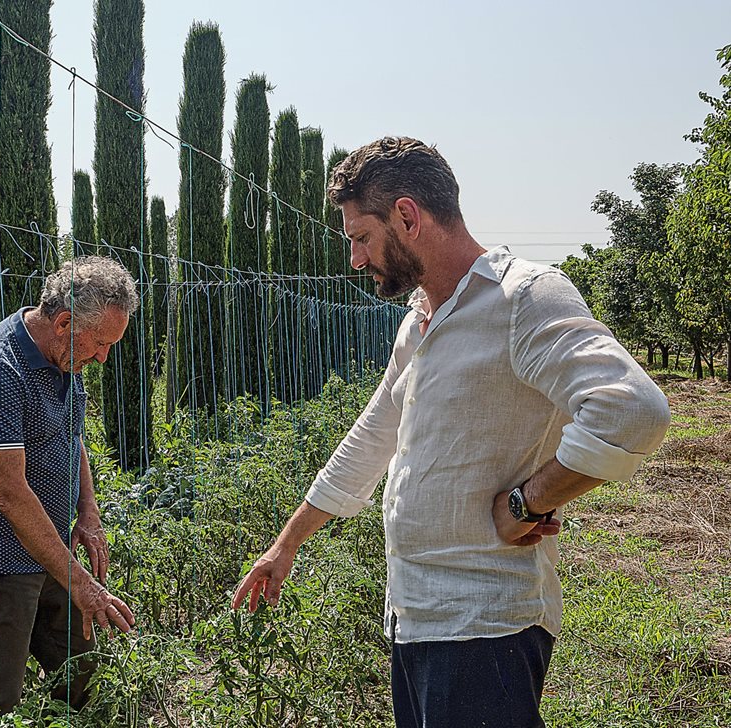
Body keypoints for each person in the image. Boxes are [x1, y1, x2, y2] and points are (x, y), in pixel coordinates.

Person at [231, 137, 671, 728]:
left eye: (361, 237)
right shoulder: (419, 320)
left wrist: (528, 500)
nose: (356, 260)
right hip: (415, 617)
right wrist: (285, 548)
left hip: (485, 627)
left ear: (407, 216)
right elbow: (372, 435)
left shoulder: (520, 298)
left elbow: (634, 409)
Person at [0, 256, 137, 712]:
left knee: (84, 680)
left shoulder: (66, 360)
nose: (104, 356)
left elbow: (72, 436)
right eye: (101, 343)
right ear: (65, 322)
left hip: (49, 551)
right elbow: (9, 493)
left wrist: (88, 512)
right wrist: (83, 583)